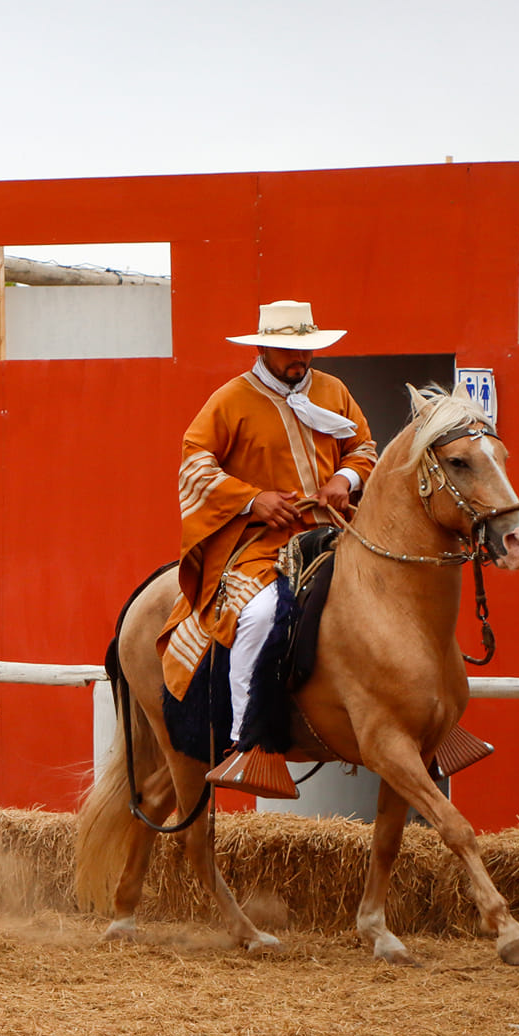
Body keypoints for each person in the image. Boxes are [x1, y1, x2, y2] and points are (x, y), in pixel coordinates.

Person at [162, 299, 379, 798]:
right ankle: (248, 741)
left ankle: (425, 715)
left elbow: (364, 448)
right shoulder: (230, 399)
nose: (298, 358)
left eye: (305, 348)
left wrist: (345, 479)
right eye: (287, 349)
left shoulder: (333, 391)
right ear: (262, 346)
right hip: (262, 544)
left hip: (335, 530)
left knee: (397, 594)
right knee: (259, 616)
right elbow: (193, 464)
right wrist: (252, 500)